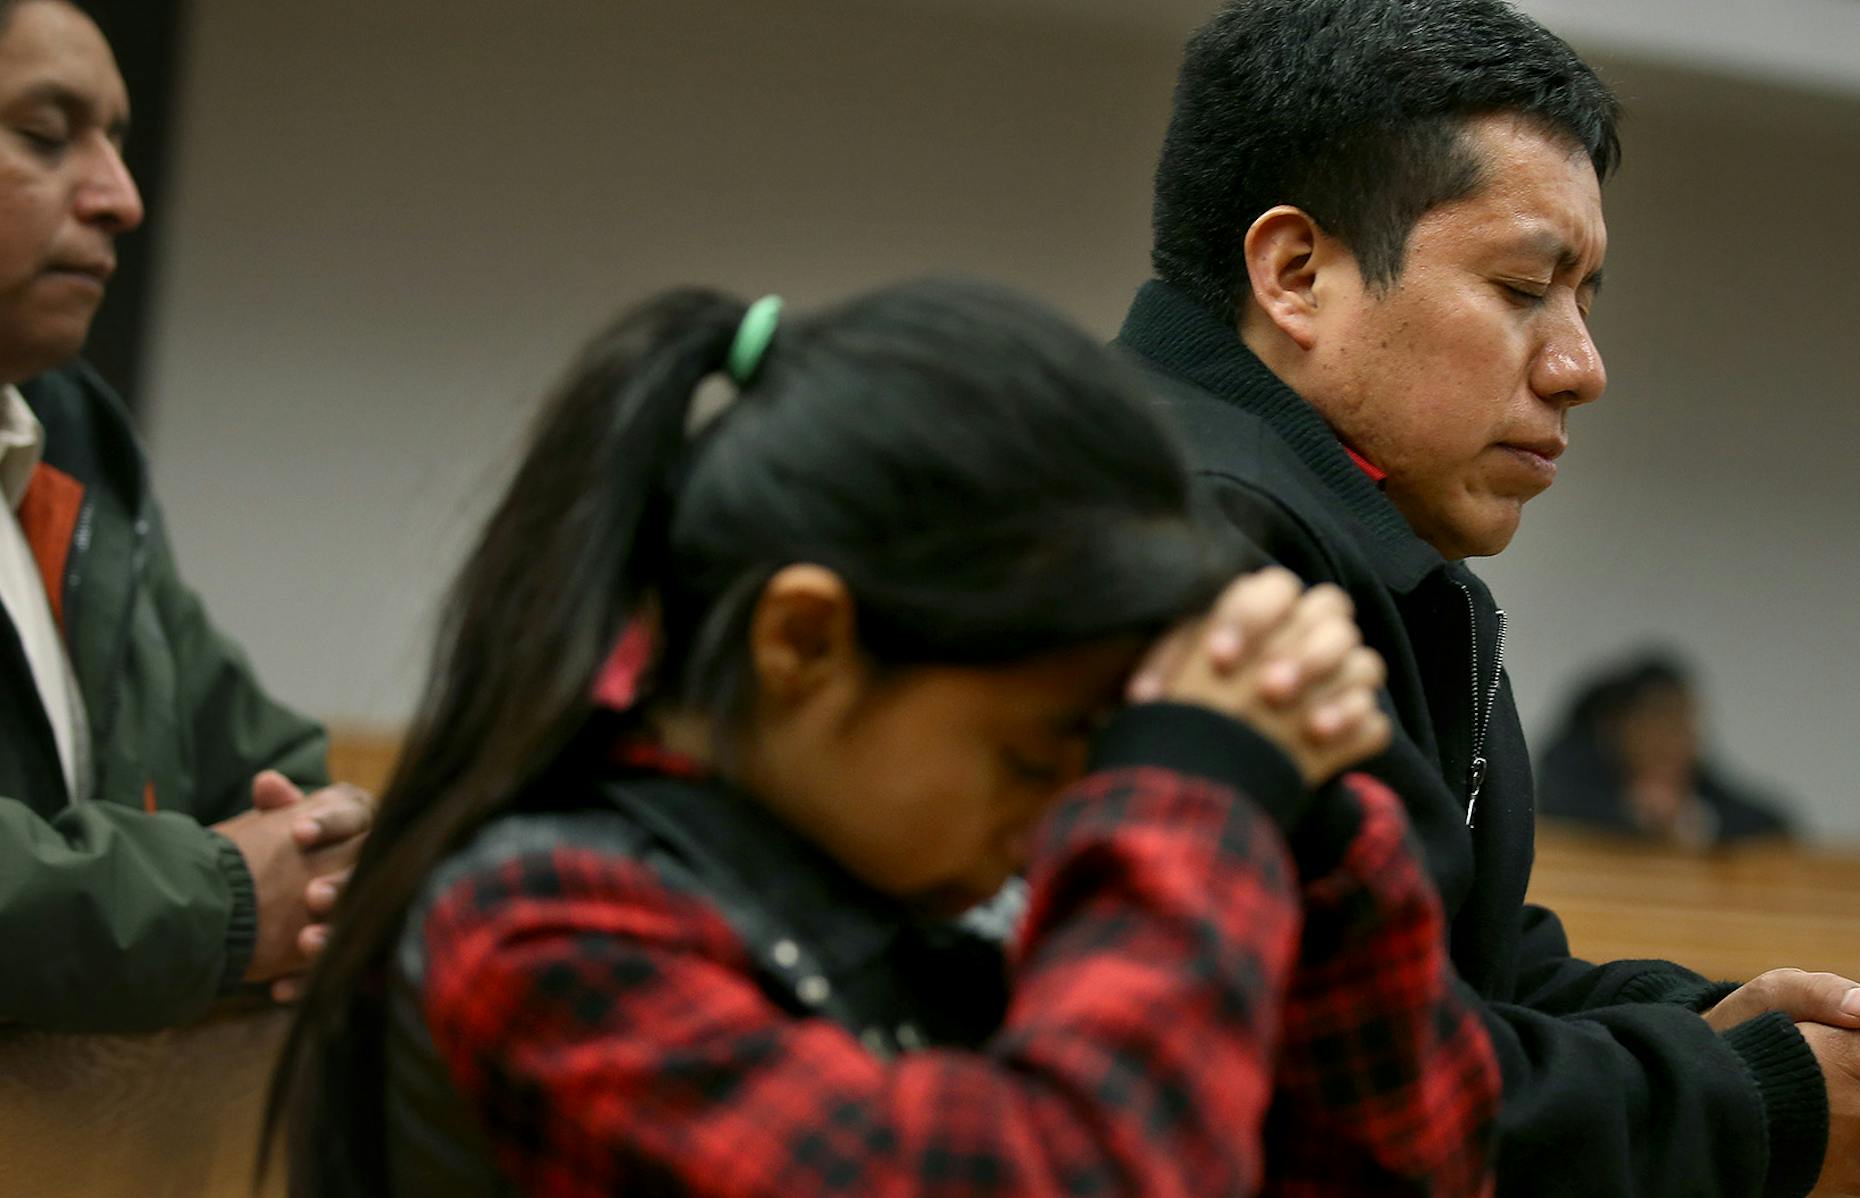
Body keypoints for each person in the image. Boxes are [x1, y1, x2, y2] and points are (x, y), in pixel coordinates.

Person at [267, 281, 1501, 1197]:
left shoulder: (898, 878)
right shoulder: (541, 923)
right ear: (804, 640)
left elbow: (1414, 1162)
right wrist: (1196, 793)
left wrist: (1314, 826)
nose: (1053, 827)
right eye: (1034, 755)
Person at [1116, 1, 1860, 1194]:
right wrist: (1751, 1099)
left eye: (1586, 296)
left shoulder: (1315, 516)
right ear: (1296, 272)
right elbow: (1343, 1091)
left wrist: (1713, 1026)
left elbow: (1454, 959)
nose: (1581, 367)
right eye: (1524, 285)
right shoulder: (1205, 536)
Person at [0, 0, 369, 1030]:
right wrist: (226, 902)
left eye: (116, 139)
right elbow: (237, 885)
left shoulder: (68, 444)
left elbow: (270, 766)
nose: (120, 197)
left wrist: (344, 855)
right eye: (43, 134)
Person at [1538, 652, 1796, 847]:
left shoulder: (1697, 778)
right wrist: (1636, 815)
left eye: (1682, 724)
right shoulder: (1572, 762)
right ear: (1618, 728)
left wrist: (1694, 819)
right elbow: (1556, 808)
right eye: (1657, 723)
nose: (1672, 742)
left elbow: (1773, 823)